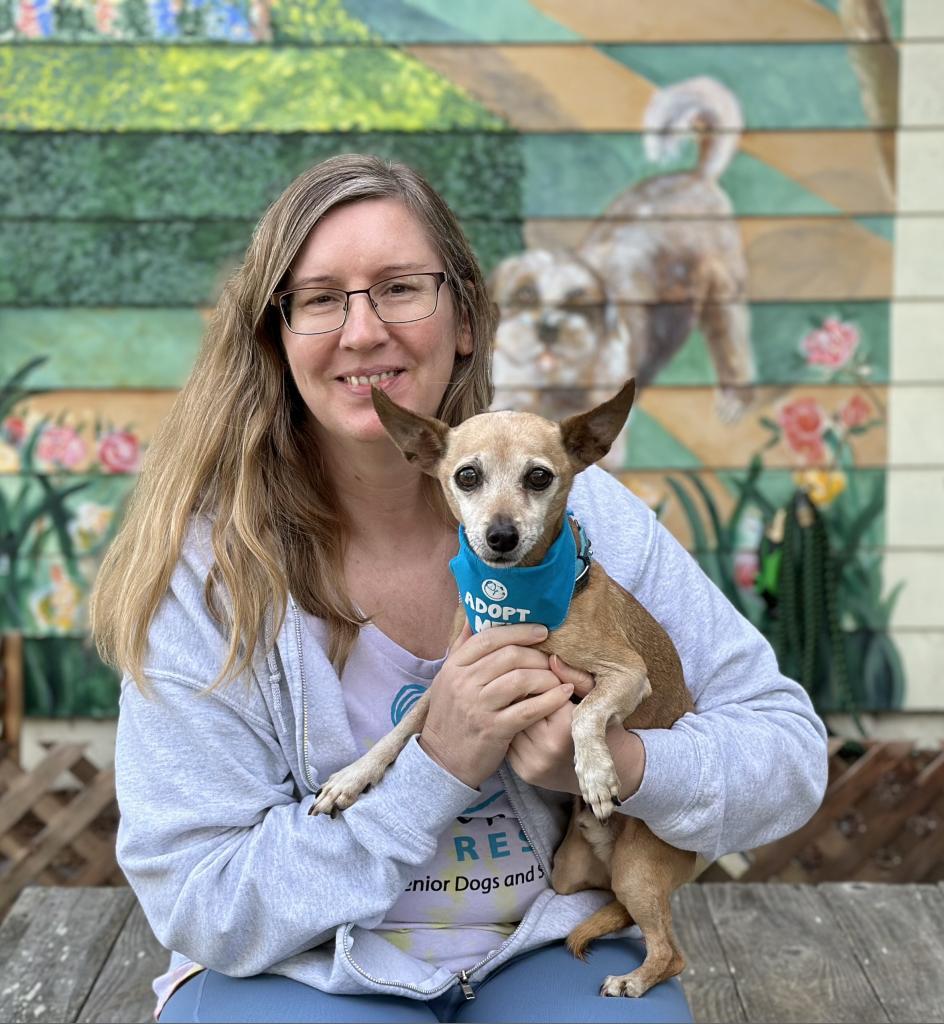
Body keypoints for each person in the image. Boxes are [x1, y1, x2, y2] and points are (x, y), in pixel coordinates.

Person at [93, 154, 828, 1024]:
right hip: (302, 970)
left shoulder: (586, 518)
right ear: (277, 336)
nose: (363, 332)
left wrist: (626, 764)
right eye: (322, 298)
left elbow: (787, 752)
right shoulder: (213, 572)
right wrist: (434, 768)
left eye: (400, 287)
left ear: (466, 319)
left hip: (540, 944)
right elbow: (196, 896)